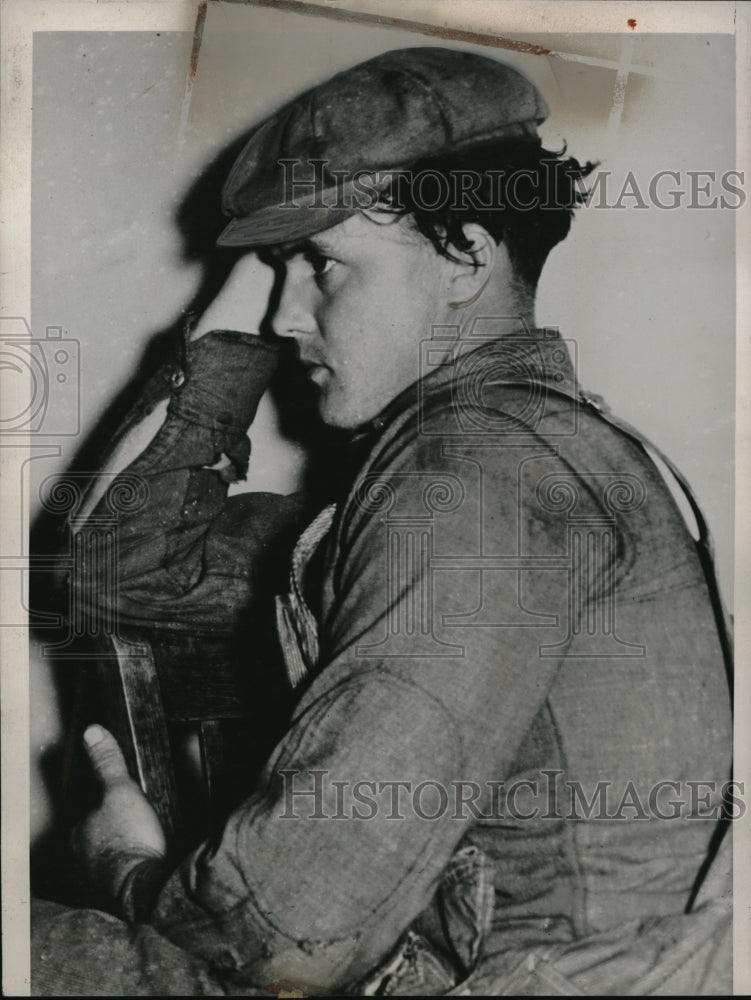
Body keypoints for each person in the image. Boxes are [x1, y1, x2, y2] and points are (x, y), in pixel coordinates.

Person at [31, 47, 733, 996]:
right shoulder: (510, 452)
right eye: (278, 272)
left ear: (466, 259)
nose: (284, 315)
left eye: (322, 265)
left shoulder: (477, 474)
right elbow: (119, 571)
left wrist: (120, 869)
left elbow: (292, 938)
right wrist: (234, 322)